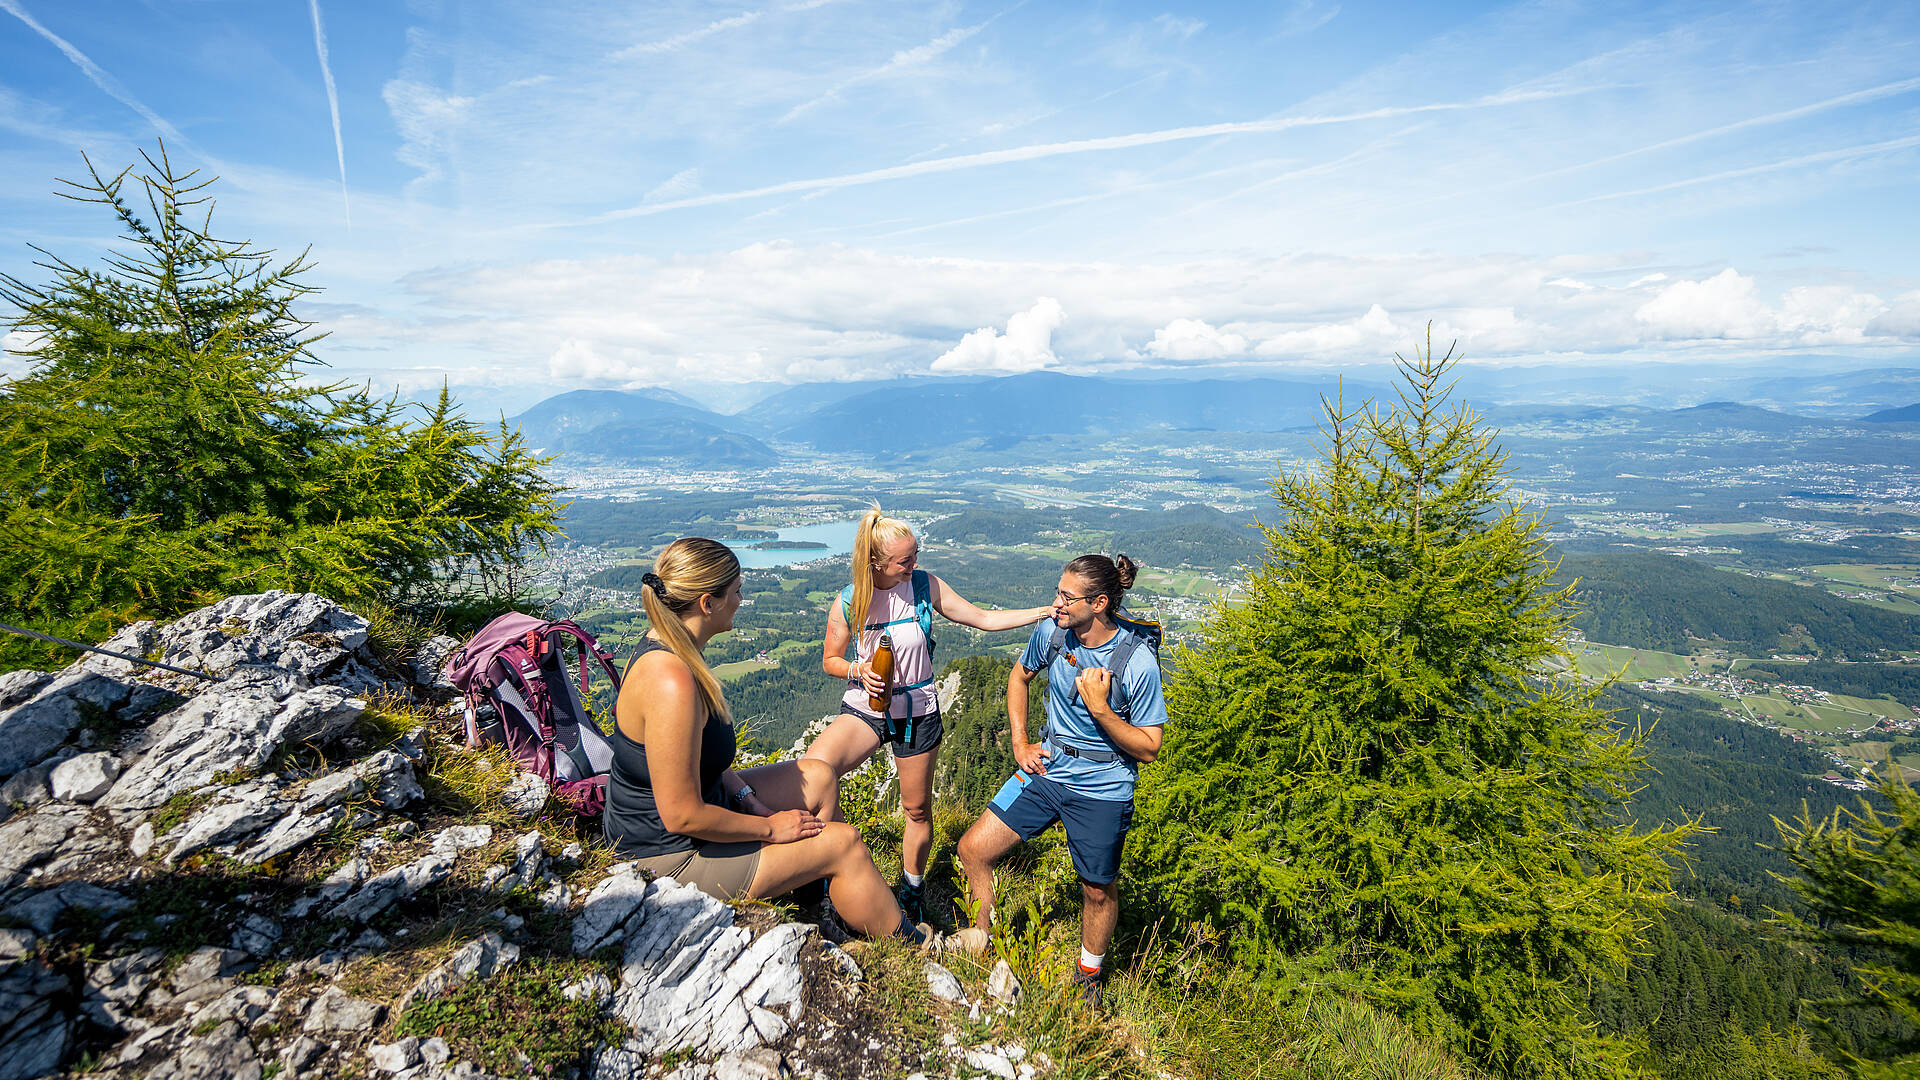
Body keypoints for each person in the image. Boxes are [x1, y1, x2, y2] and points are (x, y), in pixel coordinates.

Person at [606, 536, 929, 944]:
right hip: (666, 855)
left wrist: (747, 798)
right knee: (844, 844)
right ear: (708, 602)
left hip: (698, 813)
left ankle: (819, 905)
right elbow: (681, 815)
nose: (741, 599)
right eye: (737, 591)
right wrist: (769, 828)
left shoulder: (673, 647)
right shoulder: (671, 681)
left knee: (820, 777)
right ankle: (915, 948)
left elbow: (705, 762)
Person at [808, 505, 1052, 924]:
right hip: (869, 706)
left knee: (916, 810)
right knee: (816, 769)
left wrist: (1043, 612)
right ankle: (832, 867)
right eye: (906, 560)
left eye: (915, 554)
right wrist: (856, 670)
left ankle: (911, 889)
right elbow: (830, 659)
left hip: (918, 711)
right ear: (876, 563)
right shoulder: (851, 600)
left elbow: (983, 619)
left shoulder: (924, 586)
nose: (914, 564)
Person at [951, 554, 1166, 1007]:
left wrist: (1101, 708)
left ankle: (1089, 978)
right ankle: (981, 936)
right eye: (1058, 593)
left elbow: (1149, 747)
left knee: (1096, 889)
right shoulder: (1052, 631)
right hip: (1047, 768)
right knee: (973, 848)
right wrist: (1020, 742)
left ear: (1100, 603)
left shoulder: (1137, 662)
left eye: (1067, 597)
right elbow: (1019, 675)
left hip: (1102, 786)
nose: (1056, 604)